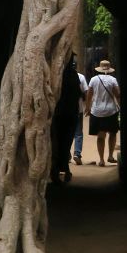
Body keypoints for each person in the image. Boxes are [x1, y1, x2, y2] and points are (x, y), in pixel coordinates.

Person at [51, 56, 81, 184]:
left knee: (56, 142)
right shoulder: (74, 75)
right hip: (70, 114)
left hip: (58, 114)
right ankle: (63, 168)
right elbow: (79, 94)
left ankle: (57, 169)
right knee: (66, 142)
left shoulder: (55, 74)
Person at [85, 58, 120, 165]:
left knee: (101, 136)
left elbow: (89, 95)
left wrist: (88, 107)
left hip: (97, 111)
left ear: (99, 68)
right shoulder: (113, 80)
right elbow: (117, 95)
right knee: (112, 133)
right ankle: (110, 156)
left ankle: (101, 160)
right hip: (111, 111)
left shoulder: (93, 79)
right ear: (110, 69)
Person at [73, 63, 88, 164]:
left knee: (65, 133)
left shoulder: (61, 75)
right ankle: (77, 153)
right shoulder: (81, 77)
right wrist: (86, 104)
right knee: (78, 133)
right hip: (78, 108)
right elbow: (86, 92)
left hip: (63, 110)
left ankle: (66, 155)